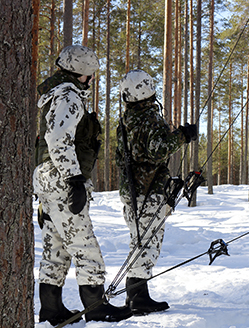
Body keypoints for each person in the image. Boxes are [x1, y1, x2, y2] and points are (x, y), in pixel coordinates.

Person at [33, 45, 132, 324]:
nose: (93, 78)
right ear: (84, 73)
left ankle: (52, 309)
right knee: (85, 246)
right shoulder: (69, 97)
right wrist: (74, 179)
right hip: (61, 179)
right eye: (92, 74)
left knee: (57, 248)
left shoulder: (55, 95)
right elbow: (58, 139)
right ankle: (97, 307)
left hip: (48, 178)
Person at [116, 69, 198, 315]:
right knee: (147, 242)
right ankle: (138, 297)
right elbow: (157, 150)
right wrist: (182, 136)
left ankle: (136, 294)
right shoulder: (148, 118)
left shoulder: (127, 119)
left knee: (139, 240)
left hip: (132, 189)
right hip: (147, 188)